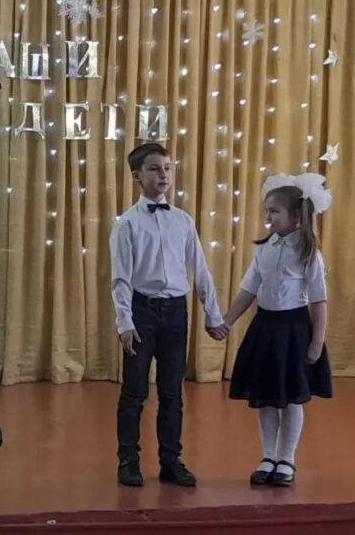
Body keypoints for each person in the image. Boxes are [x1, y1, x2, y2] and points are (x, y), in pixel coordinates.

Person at [110, 143, 229, 488]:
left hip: (176, 311)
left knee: (172, 392)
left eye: (167, 168)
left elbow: (200, 269)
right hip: (142, 311)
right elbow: (120, 278)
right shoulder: (127, 224)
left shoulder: (183, 220)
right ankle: (128, 460)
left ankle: (171, 460)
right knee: (134, 392)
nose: (163, 174)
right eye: (154, 169)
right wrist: (125, 322)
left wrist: (213, 314)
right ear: (137, 176)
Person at [223, 173, 334, 487]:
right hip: (265, 328)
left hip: (294, 331)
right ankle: (268, 455)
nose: (268, 217)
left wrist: (317, 341)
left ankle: (287, 458)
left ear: (296, 215)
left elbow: (319, 301)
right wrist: (226, 322)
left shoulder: (308, 252)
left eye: (274, 211)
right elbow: (248, 291)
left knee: (292, 398)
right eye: (267, 211)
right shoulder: (264, 248)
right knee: (267, 396)